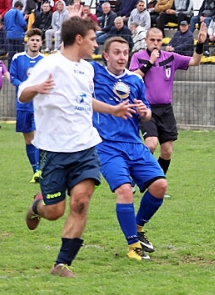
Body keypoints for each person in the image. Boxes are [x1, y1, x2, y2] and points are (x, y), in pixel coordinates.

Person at [19, 16, 134, 278]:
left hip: (85, 145)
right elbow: (22, 94)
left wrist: (113, 109)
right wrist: (36, 88)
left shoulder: (87, 69)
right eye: (93, 39)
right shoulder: (50, 65)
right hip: (53, 149)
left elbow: (85, 100)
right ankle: (37, 207)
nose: (96, 44)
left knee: (81, 202)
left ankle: (61, 264)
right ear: (79, 39)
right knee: (55, 211)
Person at [92, 37, 168, 261]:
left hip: (133, 143)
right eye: (116, 52)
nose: (122, 57)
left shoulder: (135, 81)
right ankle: (134, 246)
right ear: (106, 56)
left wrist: (145, 112)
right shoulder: (94, 74)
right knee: (125, 191)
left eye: (125, 52)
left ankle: (138, 226)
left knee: (160, 185)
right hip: (107, 145)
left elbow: (146, 113)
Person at [129, 24, 208, 173]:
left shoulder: (170, 57)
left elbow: (195, 61)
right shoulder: (138, 57)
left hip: (165, 109)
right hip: (146, 108)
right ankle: (136, 175)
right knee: (151, 144)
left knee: (167, 151)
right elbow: (134, 77)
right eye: (152, 39)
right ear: (146, 40)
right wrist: (150, 62)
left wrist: (201, 43)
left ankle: (157, 182)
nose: (156, 43)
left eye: (158, 40)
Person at [10, 28, 46, 180]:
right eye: (32, 40)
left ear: (41, 43)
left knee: (39, 137)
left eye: (37, 40)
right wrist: (25, 86)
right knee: (29, 139)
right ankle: (35, 170)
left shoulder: (45, 61)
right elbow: (12, 77)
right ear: (27, 41)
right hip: (23, 105)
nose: (35, 42)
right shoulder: (18, 58)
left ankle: (42, 170)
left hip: (40, 105)